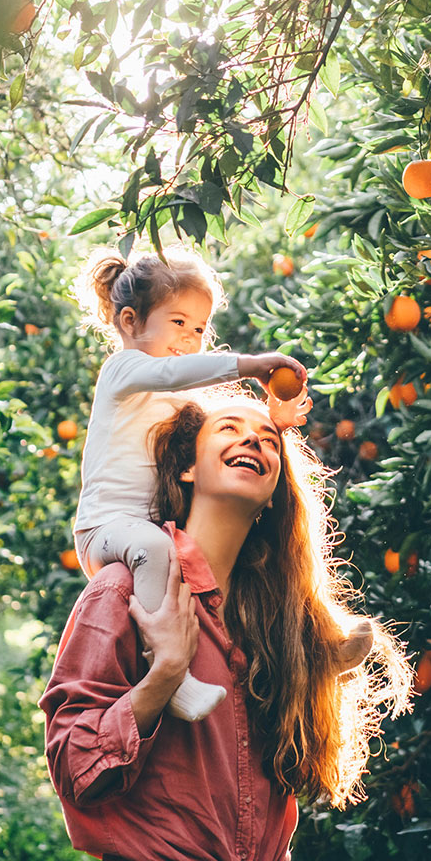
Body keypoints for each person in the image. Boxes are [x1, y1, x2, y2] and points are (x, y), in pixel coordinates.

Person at [40, 396, 414, 861]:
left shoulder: (280, 620)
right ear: (187, 469)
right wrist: (167, 673)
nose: (253, 439)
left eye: (269, 439)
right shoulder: (123, 590)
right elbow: (75, 767)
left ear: (276, 487)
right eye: (228, 428)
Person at [71, 246, 313, 721]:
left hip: (150, 534)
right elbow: (172, 371)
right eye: (178, 321)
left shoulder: (176, 392)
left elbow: (225, 427)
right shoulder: (124, 370)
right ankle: (171, 674)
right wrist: (251, 364)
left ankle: (313, 651)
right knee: (158, 551)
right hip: (106, 529)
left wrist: (274, 419)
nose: (191, 337)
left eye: (200, 328)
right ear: (129, 321)